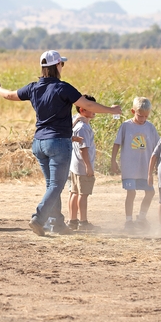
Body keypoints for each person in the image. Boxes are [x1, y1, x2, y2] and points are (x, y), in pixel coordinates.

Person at [0, 51, 121, 236]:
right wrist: (111, 109)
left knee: (52, 185)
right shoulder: (63, 88)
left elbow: (9, 95)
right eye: (62, 64)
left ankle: (57, 224)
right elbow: (88, 105)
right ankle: (39, 218)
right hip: (59, 142)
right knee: (56, 185)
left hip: (39, 143)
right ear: (58, 65)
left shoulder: (33, 87)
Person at [111, 97, 160, 233]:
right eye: (140, 115)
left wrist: (158, 164)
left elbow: (158, 146)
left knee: (150, 192)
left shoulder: (150, 127)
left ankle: (141, 218)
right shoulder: (126, 126)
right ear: (133, 111)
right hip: (130, 168)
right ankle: (128, 221)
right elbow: (117, 144)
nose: (143, 119)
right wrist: (113, 160)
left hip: (145, 168)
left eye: (146, 116)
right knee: (131, 193)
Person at [68, 95, 99, 232]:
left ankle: (72, 220)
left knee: (74, 192)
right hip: (81, 166)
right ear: (82, 110)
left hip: (74, 165)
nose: (94, 110)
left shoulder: (76, 120)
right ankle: (83, 221)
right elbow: (84, 149)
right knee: (83, 194)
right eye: (90, 107)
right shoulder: (83, 128)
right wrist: (88, 166)